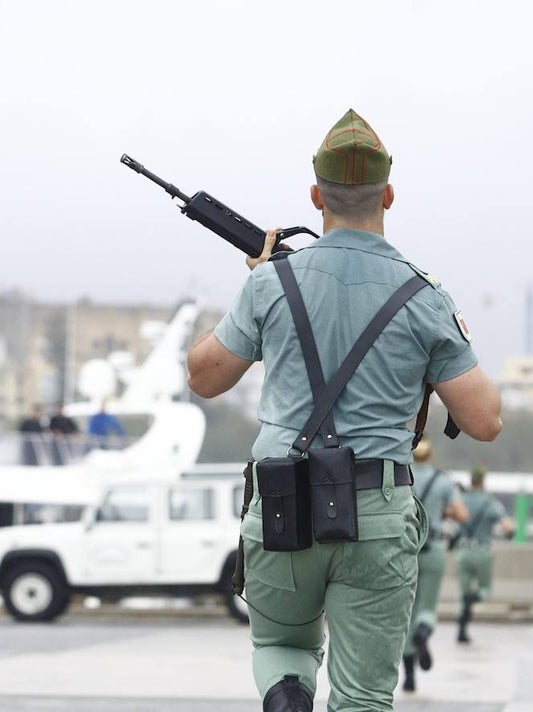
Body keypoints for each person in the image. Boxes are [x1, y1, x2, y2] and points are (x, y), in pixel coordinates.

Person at [186, 109, 502, 712]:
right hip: (376, 514)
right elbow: (485, 421)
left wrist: (255, 282)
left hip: (281, 504)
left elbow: (204, 377)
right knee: (362, 697)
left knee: (282, 643)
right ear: (388, 195)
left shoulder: (271, 282)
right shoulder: (423, 294)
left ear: (315, 195)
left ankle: (285, 696)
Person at [401, 437, 469, 693]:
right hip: (434, 549)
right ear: (430, 456)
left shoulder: (403, 475)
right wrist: (442, 511)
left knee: (405, 612)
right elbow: (462, 515)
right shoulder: (442, 481)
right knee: (427, 606)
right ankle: (424, 631)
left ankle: (408, 676)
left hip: (406, 550)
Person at [456, 464, 514, 644]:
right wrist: (509, 534)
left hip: (463, 551)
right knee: (485, 590)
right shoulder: (490, 503)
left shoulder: (461, 499)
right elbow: (507, 527)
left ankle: (462, 630)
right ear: (483, 482)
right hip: (482, 551)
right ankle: (476, 597)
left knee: (462, 593)